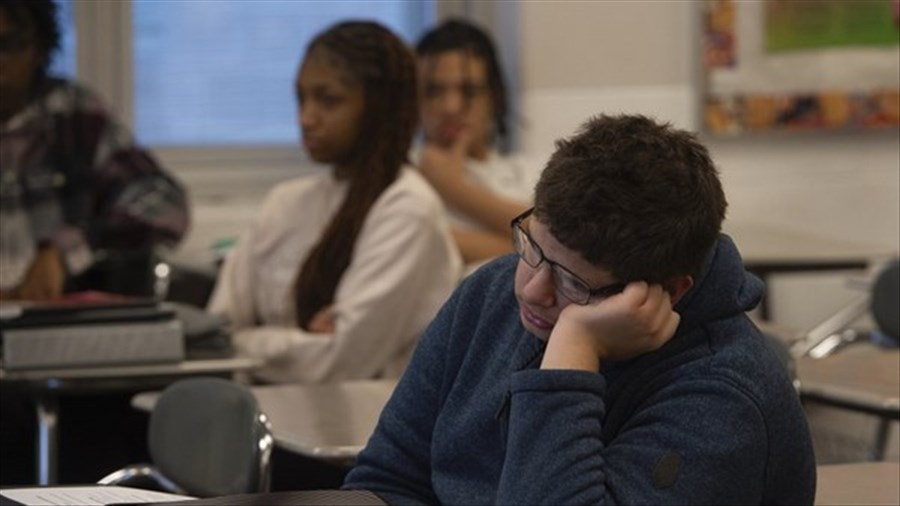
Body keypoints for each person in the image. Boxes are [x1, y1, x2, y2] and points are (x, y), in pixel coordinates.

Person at [343, 114, 816, 504]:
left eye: (573, 281)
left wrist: (572, 350)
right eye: (531, 244)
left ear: (667, 291)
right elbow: (387, 480)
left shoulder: (723, 402)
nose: (531, 290)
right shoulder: (488, 295)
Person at [207, 21, 461, 384]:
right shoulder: (285, 201)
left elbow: (337, 364)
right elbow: (216, 332)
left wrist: (251, 341)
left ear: (377, 108)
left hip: (362, 432)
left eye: (328, 100)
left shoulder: (407, 207)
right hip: (267, 419)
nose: (306, 118)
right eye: (301, 98)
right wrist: (297, 341)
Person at [0, 0, 189, 301]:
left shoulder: (72, 116)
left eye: (8, 45)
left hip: (65, 325)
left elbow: (163, 204)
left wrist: (68, 250)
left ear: (38, 48)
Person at [414, 18, 535, 266]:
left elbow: (562, 244)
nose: (451, 107)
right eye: (433, 91)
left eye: (468, 91)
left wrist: (454, 189)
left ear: (494, 95)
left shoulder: (531, 173)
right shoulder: (397, 179)